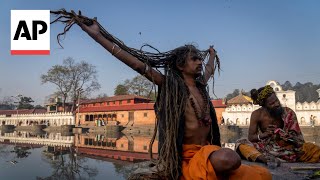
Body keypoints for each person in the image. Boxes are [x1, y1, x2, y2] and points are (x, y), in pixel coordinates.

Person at [51, 11, 271, 179]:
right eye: (194, 58)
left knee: (263, 175)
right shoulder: (169, 85)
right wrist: (98, 36)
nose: (199, 62)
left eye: (199, 59)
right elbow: (135, 63)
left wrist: (212, 55)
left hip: (209, 152)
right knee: (230, 157)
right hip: (186, 158)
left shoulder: (201, 86)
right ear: (180, 64)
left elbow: (209, 70)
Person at [237, 85, 320, 163]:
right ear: (264, 105)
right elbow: (251, 137)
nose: (276, 104)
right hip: (266, 148)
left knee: (314, 149)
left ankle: (269, 158)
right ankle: (263, 159)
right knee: (241, 145)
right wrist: (265, 135)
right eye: (272, 103)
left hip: (288, 149)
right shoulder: (257, 114)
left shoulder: (288, 113)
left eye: (276, 100)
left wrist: (287, 137)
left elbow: (298, 141)